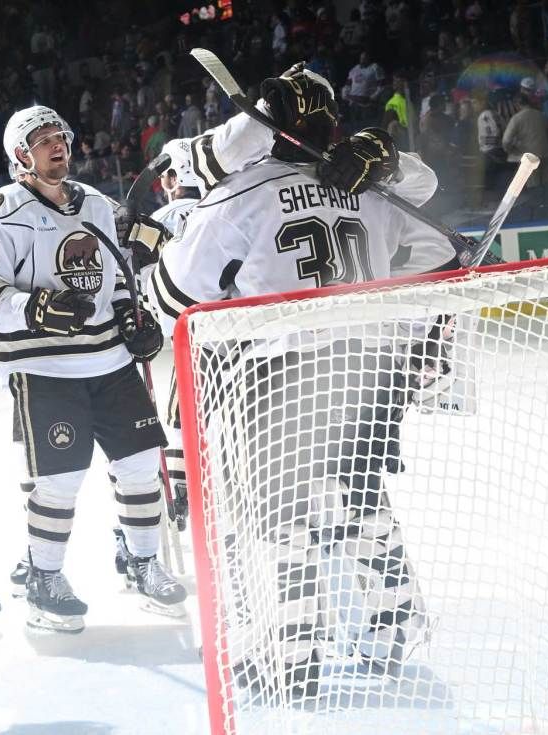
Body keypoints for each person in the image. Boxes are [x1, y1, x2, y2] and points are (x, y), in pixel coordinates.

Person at [150, 64, 457, 700]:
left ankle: (292, 656)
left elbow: (173, 298)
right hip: (370, 370)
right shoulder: (370, 188)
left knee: (280, 521)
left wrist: (163, 241)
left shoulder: (242, 194)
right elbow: (439, 254)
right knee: (362, 498)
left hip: (277, 376)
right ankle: (395, 621)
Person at [0, 105, 186, 634]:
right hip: (43, 367)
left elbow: (124, 270)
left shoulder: (94, 201)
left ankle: (143, 562)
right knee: (60, 479)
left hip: (108, 359)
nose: (56, 145)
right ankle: (44, 577)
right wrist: (35, 309)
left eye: (59, 136)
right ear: (21, 154)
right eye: (42, 140)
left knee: (138, 466)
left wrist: (138, 318)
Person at [503, 78, 548, 187]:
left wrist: (511, 150)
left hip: (530, 157)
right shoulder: (542, 115)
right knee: (546, 184)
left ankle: (539, 204)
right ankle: (547, 203)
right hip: (546, 153)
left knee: (533, 186)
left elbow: (506, 141)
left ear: (518, 103)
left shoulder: (516, 118)